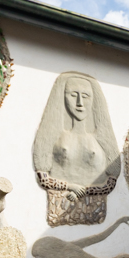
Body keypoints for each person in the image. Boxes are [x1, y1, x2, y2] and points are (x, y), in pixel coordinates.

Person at [33, 72, 120, 203]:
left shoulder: (99, 140)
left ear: (93, 100)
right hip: (57, 204)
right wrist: (69, 186)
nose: (80, 103)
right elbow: (43, 178)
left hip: (94, 209)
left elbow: (110, 183)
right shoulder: (55, 137)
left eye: (85, 96)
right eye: (73, 95)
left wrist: (82, 192)